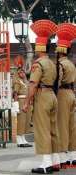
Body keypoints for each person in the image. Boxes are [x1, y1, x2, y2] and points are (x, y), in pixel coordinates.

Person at [23, 20, 59, 174]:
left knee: (42, 130)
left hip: (43, 97)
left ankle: (45, 164)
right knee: (52, 129)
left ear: (39, 47)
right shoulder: (51, 63)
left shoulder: (38, 63)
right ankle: (56, 161)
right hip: (53, 96)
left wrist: (26, 103)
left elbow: (32, 84)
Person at [55, 23, 76, 168]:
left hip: (62, 93)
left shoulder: (60, 64)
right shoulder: (72, 64)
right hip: (72, 94)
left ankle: (62, 158)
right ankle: (73, 157)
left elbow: (58, 81)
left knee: (62, 126)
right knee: (72, 126)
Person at [12, 67, 32, 148]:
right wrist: (16, 103)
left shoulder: (26, 82)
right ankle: (19, 139)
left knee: (26, 120)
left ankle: (23, 138)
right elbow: (15, 93)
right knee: (21, 120)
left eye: (23, 72)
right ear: (18, 74)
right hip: (20, 101)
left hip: (27, 101)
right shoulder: (17, 81)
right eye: (20, 72)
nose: (22, 74)